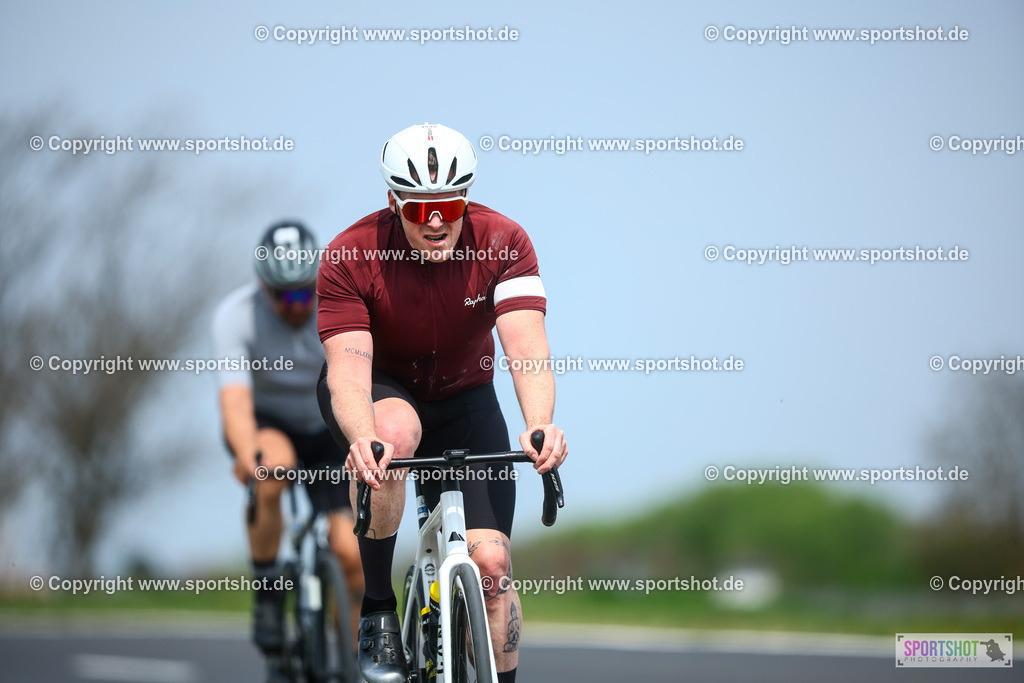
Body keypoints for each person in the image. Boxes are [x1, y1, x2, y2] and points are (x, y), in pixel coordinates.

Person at [315, 123, 568, 683]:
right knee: (396, 432)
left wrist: (540, 423)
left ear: (466, 199)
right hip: (381, 391)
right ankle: (378, 608)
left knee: (493, 567)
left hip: (465, 398)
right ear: (392, 201)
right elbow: (349, 372)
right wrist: (364, 437)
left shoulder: (505, 242)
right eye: (418, 207)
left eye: (449, 206)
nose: (434, 220)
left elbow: (525, 345)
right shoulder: (349, 255)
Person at [213, 221, 364, 663]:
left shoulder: (338, 302)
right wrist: (247, 455)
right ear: (263, 289)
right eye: (284, 296)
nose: (297, 306)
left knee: (350, 551)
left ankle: (356, 656)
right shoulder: (236, 316)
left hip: (326, 424)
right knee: (269, 466)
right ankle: (267, 591)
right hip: (269, 422)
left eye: (305, 293)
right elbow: (235, 402)